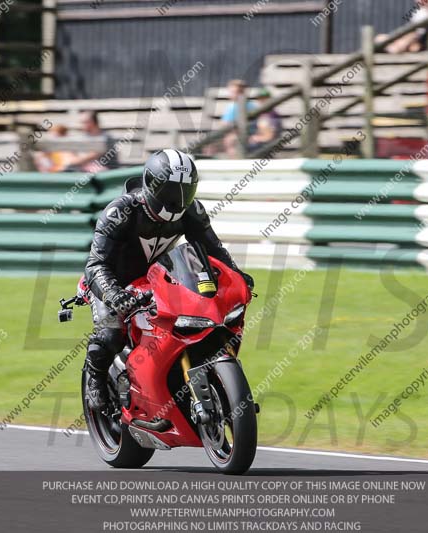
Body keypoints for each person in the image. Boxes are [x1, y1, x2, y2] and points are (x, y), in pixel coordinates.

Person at [82, 148, 254, 410]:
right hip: (111, 279)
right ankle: (94, 381)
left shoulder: (191, 210)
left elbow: (214, 250)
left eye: (186, 191)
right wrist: (115, 295)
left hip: (154, 278)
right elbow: (95, 264)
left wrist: (237, 277)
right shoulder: (120, 212)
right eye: (171, 192)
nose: (178, 200)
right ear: (152, 185)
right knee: (111, 332)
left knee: (195, 318)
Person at [217, 79, 258, 158]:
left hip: (244, 136)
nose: (230, 94)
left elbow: (226, 124)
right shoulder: (233, 105)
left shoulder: (242, 106)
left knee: (231, 140)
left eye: (233, 92)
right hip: (237, 135)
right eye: (230, 91)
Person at [247, 88, 281, 153]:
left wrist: (256, 138)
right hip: (260, 147)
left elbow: (271, 137)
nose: (261, 101)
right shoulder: (261, 114)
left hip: (267, 149)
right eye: (260, 98)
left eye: (264, 98)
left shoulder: (272, 115)